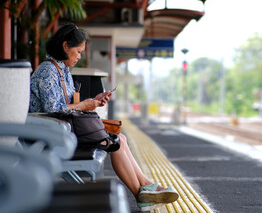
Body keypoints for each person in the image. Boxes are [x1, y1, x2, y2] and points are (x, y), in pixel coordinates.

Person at [29, 23, 179, 211]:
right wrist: (84, 105)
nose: (79, 56)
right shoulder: (47, 70)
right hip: (49, 136)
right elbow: (53, 109)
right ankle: (142, 193)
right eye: (78, 51)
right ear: (65, 46)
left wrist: (93, 101)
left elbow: (65, 106)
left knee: (120, 138)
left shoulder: (62, 70)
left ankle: (146, 187)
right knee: (114, 142)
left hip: (61, 130)